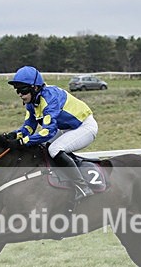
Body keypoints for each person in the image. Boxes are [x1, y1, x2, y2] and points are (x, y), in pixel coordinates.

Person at [6, 66, 98, 200]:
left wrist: (23, 141)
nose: (20, 94)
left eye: (23, 90)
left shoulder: (50, 98)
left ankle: (83, 187)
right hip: (67, 128)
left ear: (35, 87)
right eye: (17, 90)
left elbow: (48, 132)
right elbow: (29, 128)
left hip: (84, 127)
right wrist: (14, 135)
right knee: (40, 148)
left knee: (55, 149)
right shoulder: (31, 102)